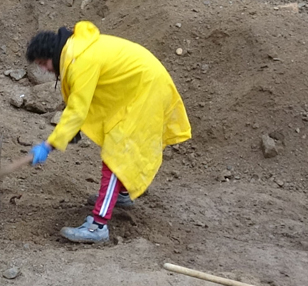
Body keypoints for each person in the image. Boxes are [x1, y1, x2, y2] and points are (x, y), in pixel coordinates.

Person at [26, 22, 191, 243]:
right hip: (138, 86)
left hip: (147, 88)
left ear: (51, 54)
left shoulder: (79, 59)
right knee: (116, 142)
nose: (45, 69)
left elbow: (77, 110)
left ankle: (98, 226)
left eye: (43, 63)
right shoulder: (75, 50)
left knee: (117, 155)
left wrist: (49, 145)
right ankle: (120, 195)